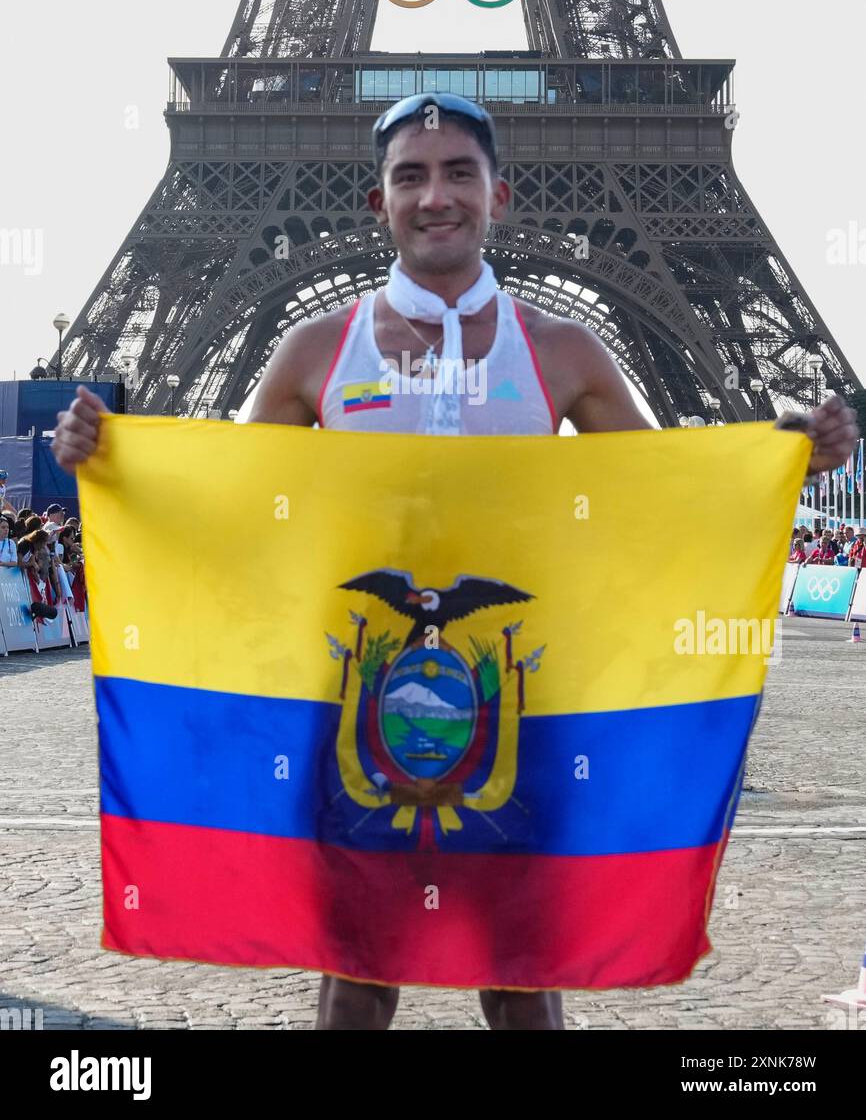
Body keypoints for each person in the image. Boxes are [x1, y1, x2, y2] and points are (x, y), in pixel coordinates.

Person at [49, 90, 860, 1031]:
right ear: (378, 203)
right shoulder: (316, 351)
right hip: (357, 704)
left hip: (515, 701)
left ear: (499, 195)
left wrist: (787, 448)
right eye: (411, 176)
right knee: (358, 964)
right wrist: (111, 461)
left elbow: (660, 493)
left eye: (458, 173)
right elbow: (232, 503)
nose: (436, 195)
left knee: (522, 965)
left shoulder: (563, 352)